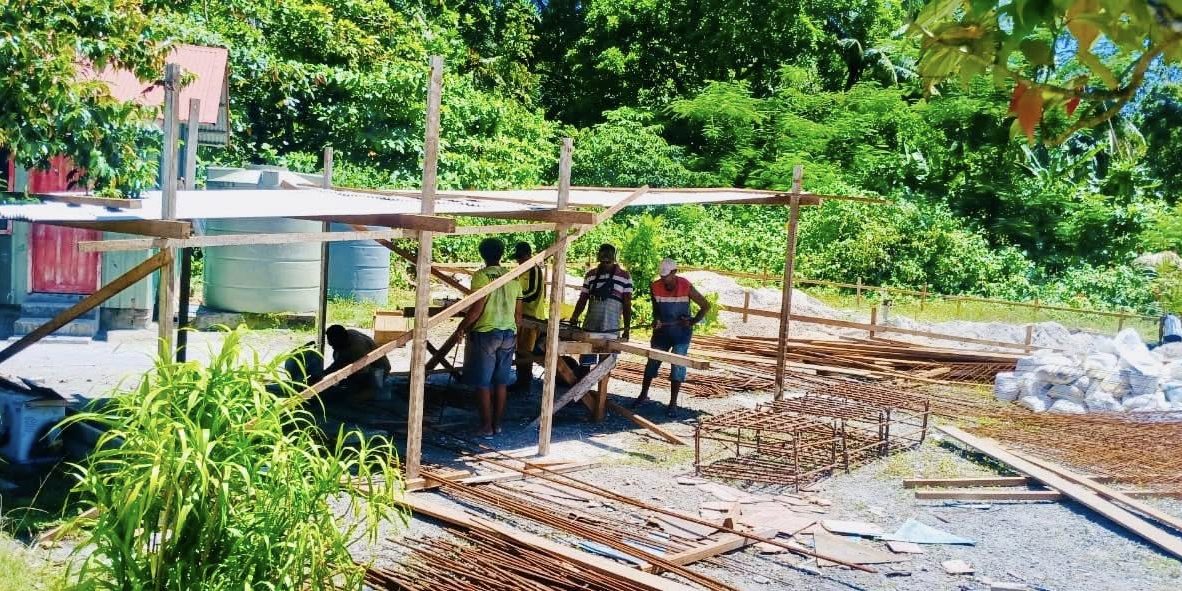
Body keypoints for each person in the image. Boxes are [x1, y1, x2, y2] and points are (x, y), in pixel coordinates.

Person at [457, 238, 523, 437]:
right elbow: (518, 316)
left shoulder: (481, 276)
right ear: (501, 254)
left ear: (482, 254)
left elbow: (476, 310)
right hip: (509, 333)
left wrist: (461, 327)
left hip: (487, 333)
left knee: (483, 382)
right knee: (501, 382)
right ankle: (497, 424)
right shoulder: (514, 278)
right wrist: (516, 335)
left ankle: (486, 426)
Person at [635, 258, 710, 415]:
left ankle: (673, 403)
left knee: (677, 365)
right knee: (652, 362)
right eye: (661, 276)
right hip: (662, 332)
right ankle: (643, 395)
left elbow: (705, 305)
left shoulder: (685, 285)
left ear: (675, 272)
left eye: (667, 276)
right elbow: (656, 310)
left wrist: (692, 321)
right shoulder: (655, 286)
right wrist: (656, 320)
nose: (664, 279)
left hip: (681, 334)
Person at [570, 243, 633, 341]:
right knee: (587, 351)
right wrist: (574, 317)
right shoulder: (590, 275)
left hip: (611, 329)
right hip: (590, 327)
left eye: (608, 262)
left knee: (608, 351)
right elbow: (582, 299)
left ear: (614, 260)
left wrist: (626, 329)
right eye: (603, 262)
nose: (605, 265)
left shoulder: (625, 277)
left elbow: (627, 304)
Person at [315, 325, 391, 403]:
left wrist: (348, 383)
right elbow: (340, 362)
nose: (333, 347)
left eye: (334, 345)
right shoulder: (348, 334)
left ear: (340, 340)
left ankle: (377, 391)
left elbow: (362, 373)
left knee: (352, 399)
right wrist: (324, 373)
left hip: (378, 369)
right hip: (364, 365)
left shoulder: (357, 350)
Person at [512, 241, 547, 394]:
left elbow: (533, 292)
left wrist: (515, 299)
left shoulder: (534, 270)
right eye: (517, 258)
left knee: (526, 351)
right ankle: (520, 381)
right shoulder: (520, 271)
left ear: (528, 255)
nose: (519, 260)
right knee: (520, 350)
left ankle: (525, 383)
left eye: (521, 257)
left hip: (532, 316)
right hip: (521, 315)